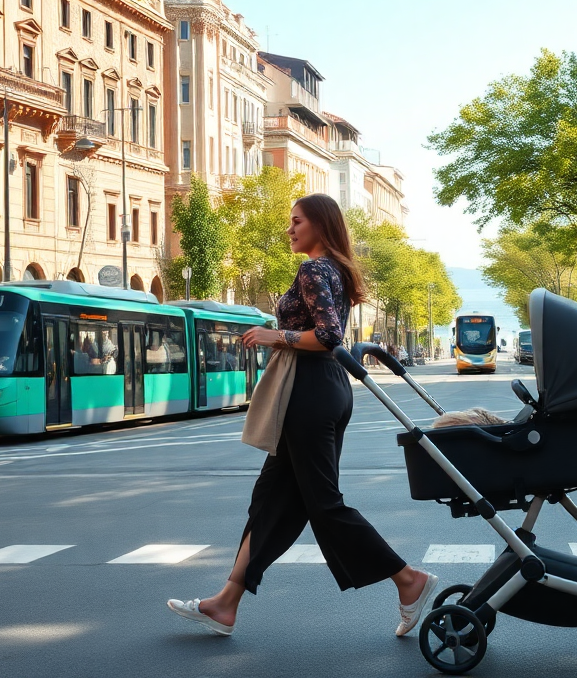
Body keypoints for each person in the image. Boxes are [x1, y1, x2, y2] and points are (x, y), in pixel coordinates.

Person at [167, 193, 437, 638]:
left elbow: (329, 335)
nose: (289, 229)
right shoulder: (334, 268)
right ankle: (225, 603)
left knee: (324, 505)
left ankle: (410, 580)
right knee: (270, 498)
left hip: (309, 391)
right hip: (320, 389)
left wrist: (277, 335)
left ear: (320, 225)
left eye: (297, 221)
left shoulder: (314, 268)